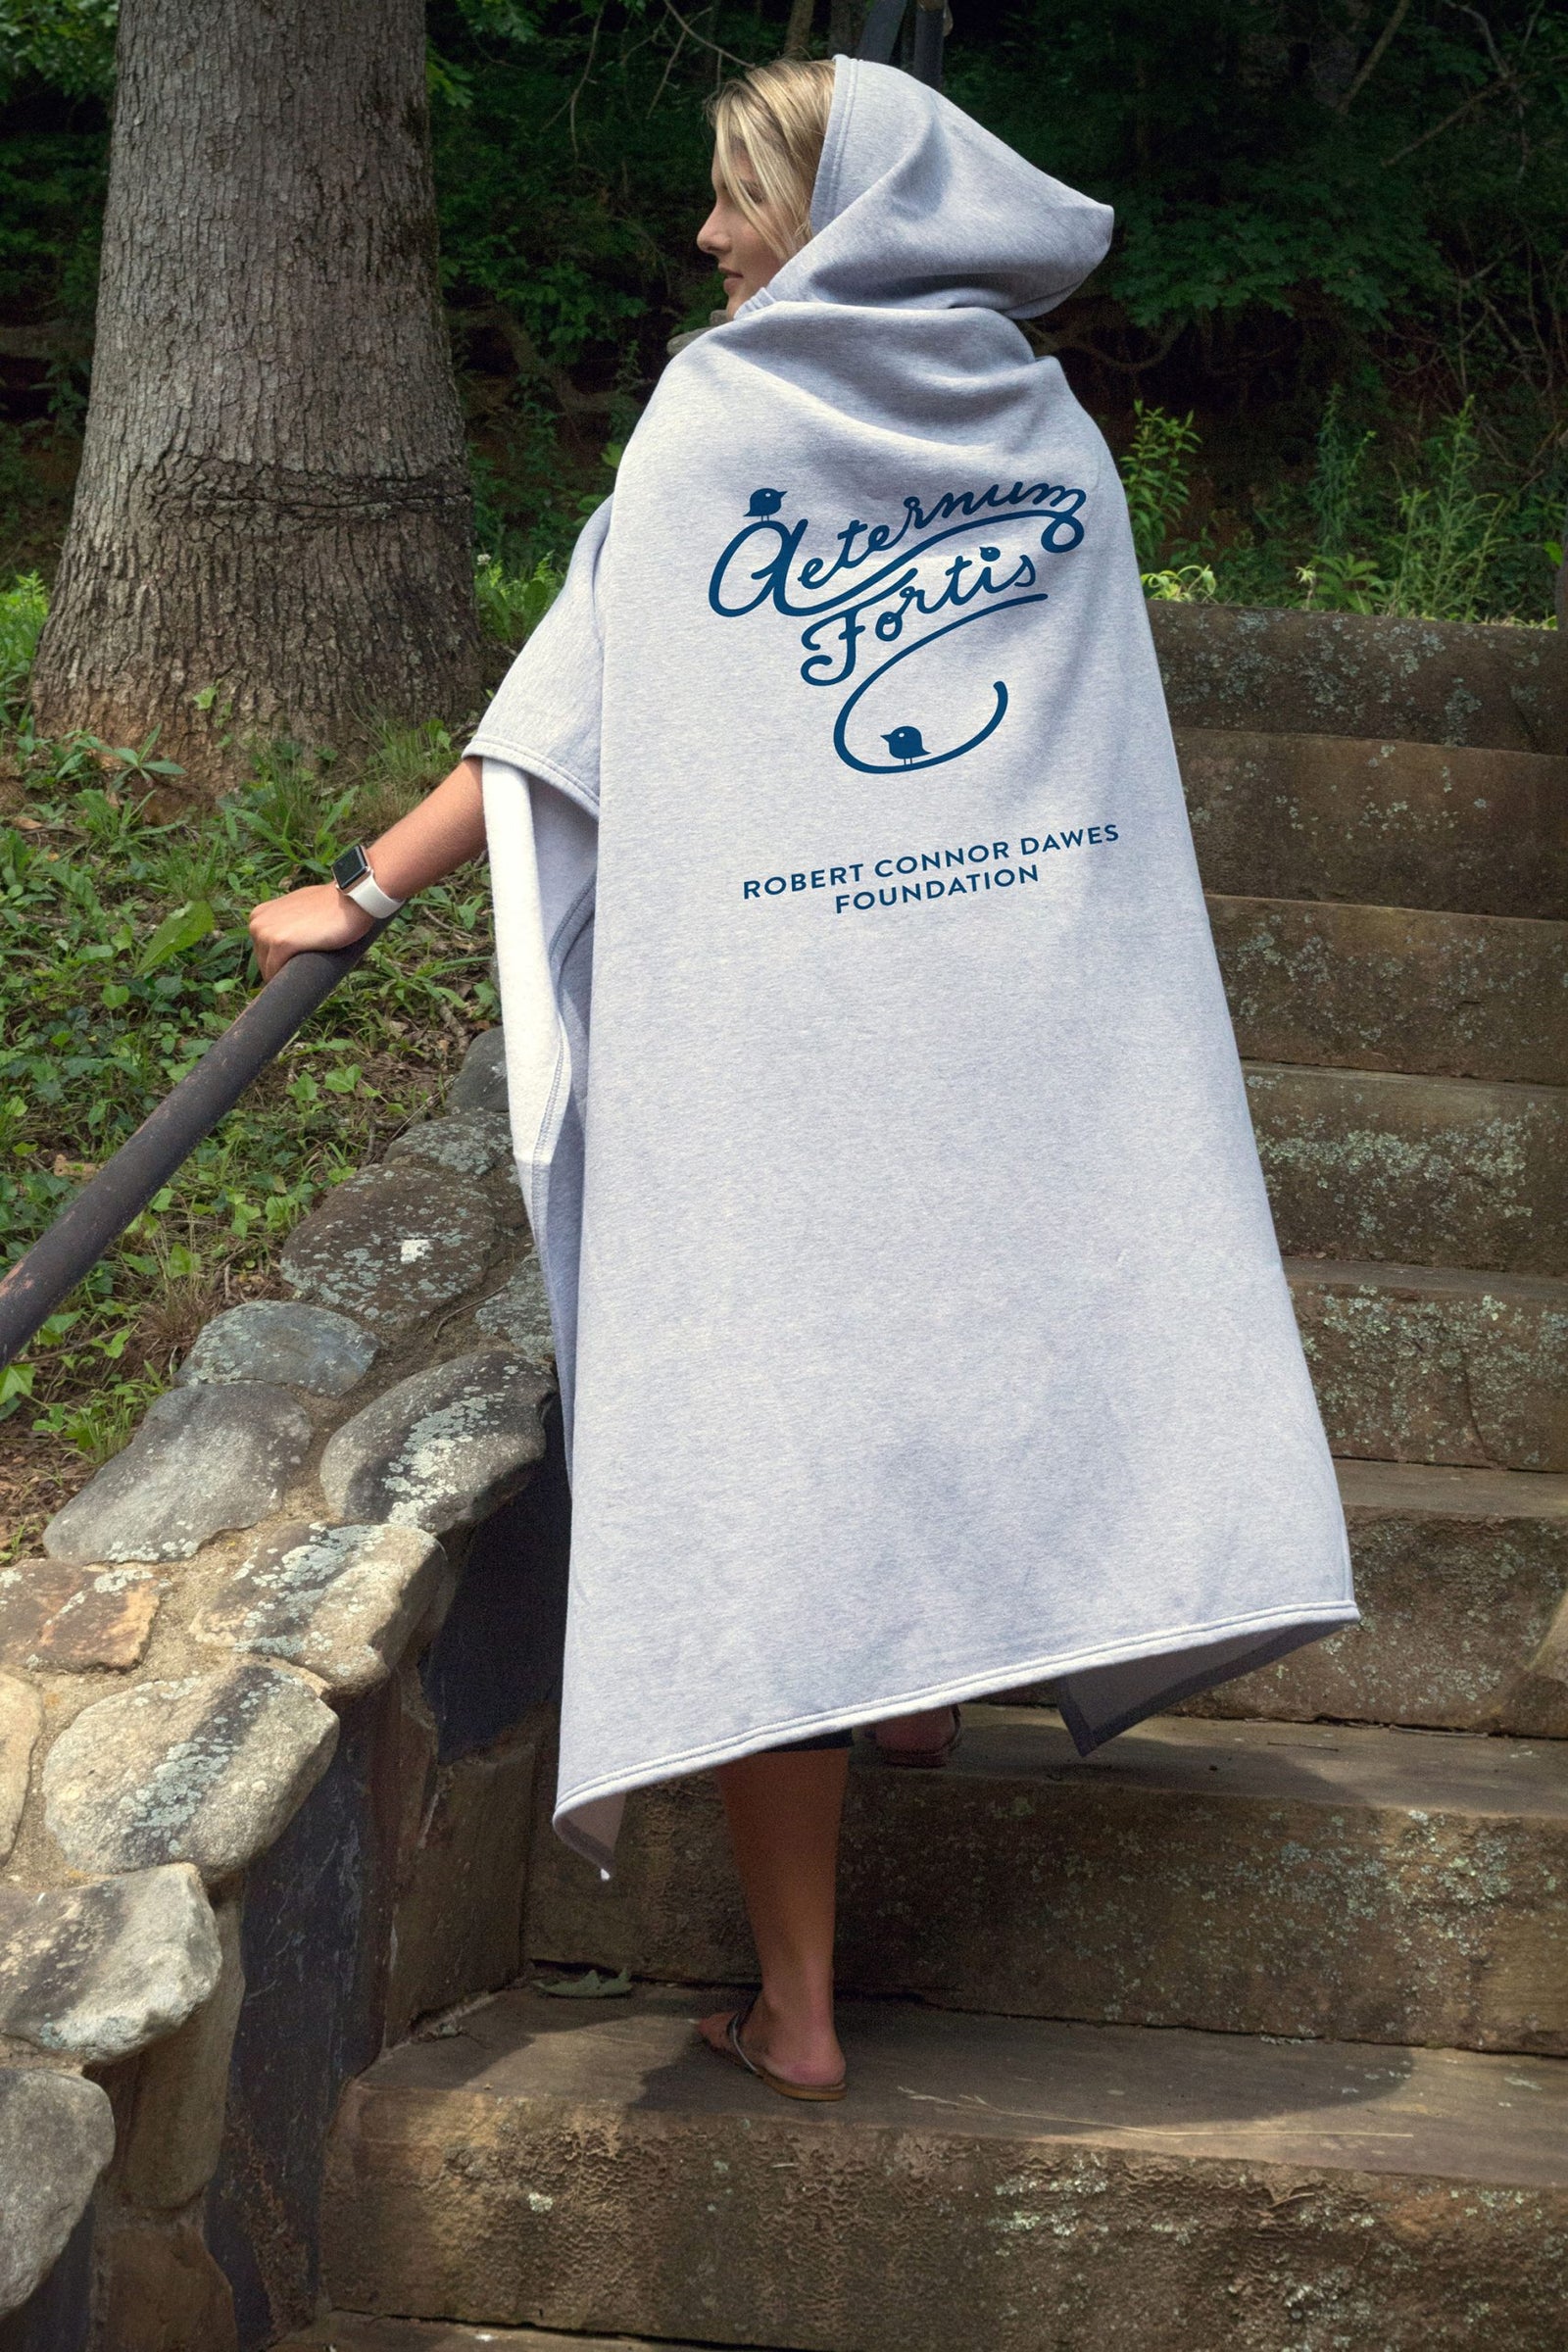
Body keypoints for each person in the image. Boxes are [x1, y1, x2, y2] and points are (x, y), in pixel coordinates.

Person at [252, 55, 1354, 2106]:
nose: (704, 239)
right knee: (946, 1385)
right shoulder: (1048, 437)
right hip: (1017, 1034)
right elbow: (1071, 772)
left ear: (829, 215)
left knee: (768, 1467)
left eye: (735, 199)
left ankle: (801, 2010)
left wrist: (361, 888)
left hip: (784, 1051)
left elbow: (562, 714)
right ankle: (918, 1691)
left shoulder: (721, 418)